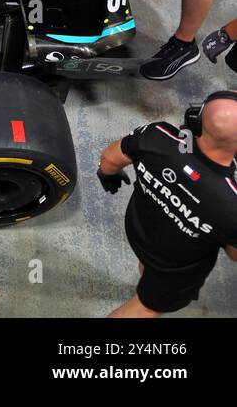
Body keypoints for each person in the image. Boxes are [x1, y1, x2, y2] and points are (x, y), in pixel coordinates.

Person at [96, 92, 237, 316]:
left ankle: (148, 275)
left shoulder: (157, 137)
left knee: (148, 265)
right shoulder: (231, 204)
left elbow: (110, 159)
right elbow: (234, 254)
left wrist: (108, 175)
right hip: (174, 269)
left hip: (139, 230)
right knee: (144, 308)